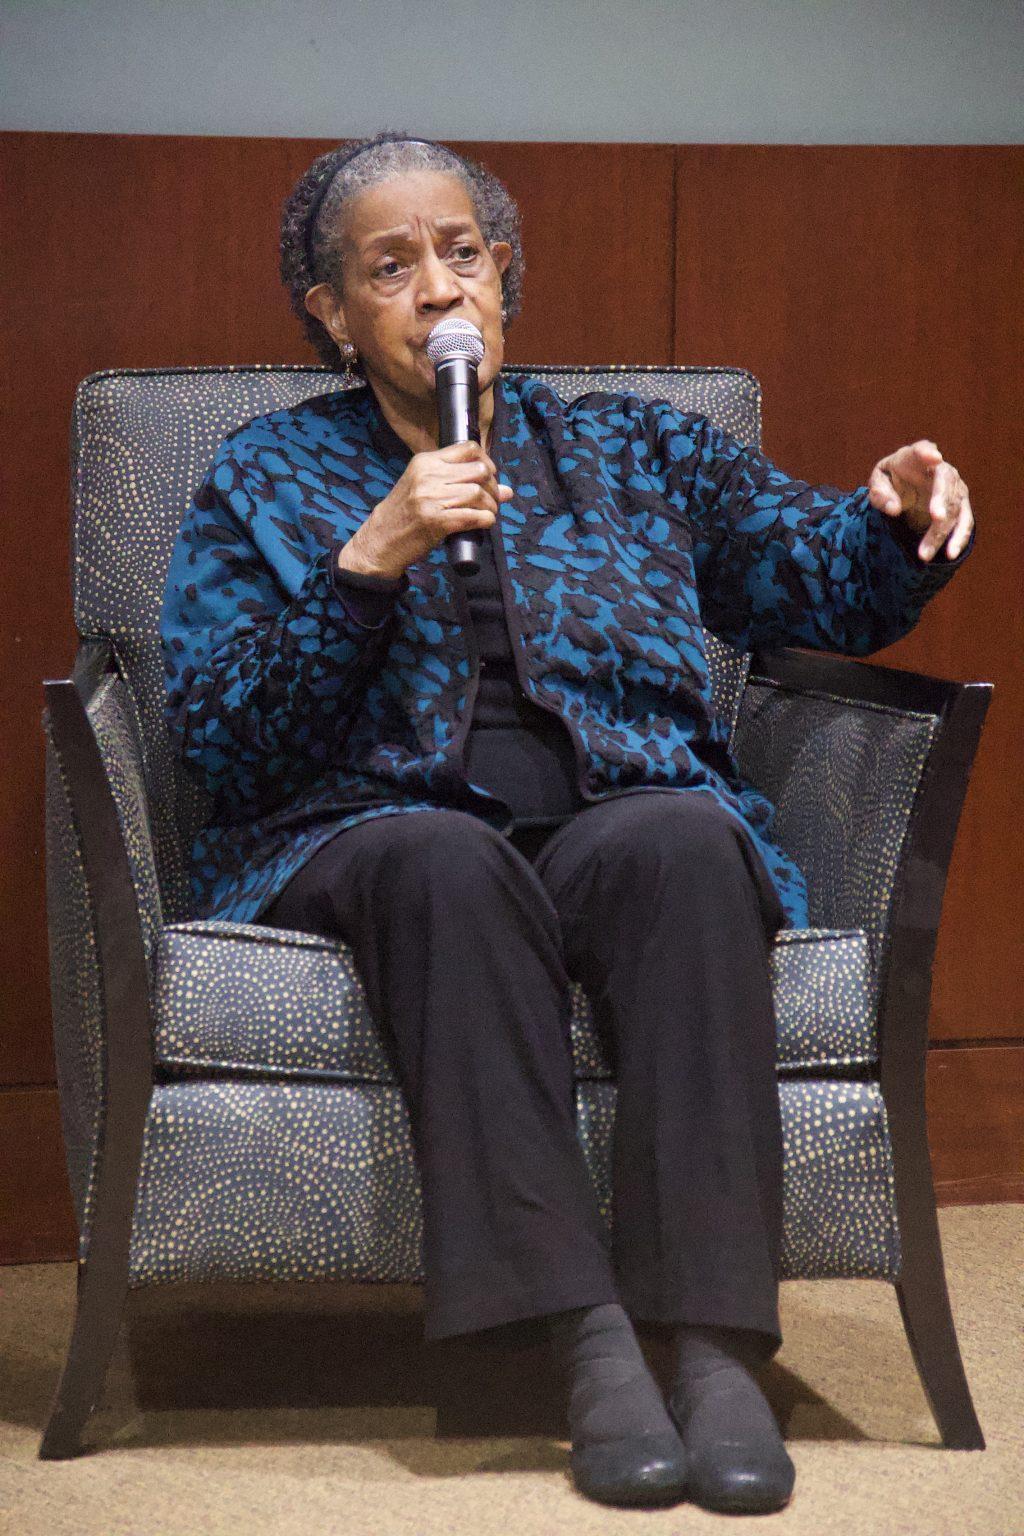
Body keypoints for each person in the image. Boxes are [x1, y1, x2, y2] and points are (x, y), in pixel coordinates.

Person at [159, 131, 975, 1514]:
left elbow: (814, 576)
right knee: (445, 861)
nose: (437, 290)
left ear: (507, 280)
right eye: (390, 266)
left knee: (682, 843)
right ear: (332, 314)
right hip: (371, 827)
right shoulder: (267, 474)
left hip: (614, 810)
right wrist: (366, 566)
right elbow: (223, 737)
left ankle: (714, 1352)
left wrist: (893, 523)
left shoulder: (631, 445)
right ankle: (588, 1348)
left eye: (462, 254)